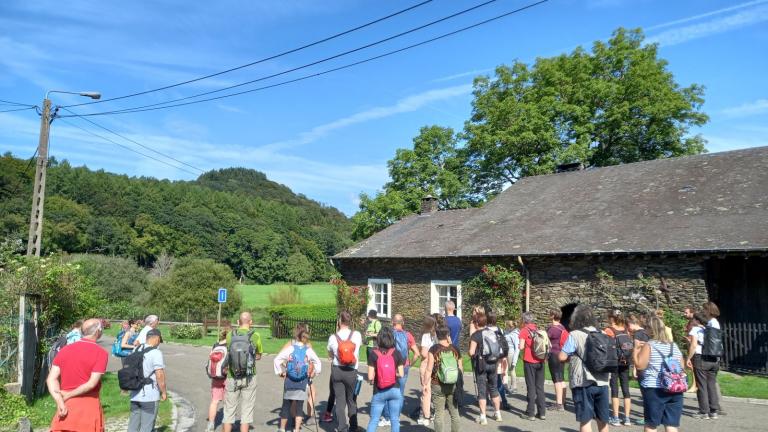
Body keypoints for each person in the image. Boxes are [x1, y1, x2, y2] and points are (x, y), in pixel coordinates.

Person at [46, 318, 108, 432]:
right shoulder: (101, 353)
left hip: (65, 406)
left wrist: (59, 400)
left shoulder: (64, 350)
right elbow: (91, 384)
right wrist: (68, 395)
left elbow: (51, 379)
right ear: (98, 331)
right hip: (88, 407)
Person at [558, 305, 610, 432]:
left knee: (585, 420)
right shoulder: (602, 333)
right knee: (603, 420)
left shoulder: (574, 335)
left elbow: (562, 356)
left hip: (583, 381)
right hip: (602, 380)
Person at [634, 314, 685, 432]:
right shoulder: (674, 346)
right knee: (671, 424)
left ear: (650, 329)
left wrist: (635, 351)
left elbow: (640, 365)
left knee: (651, 425)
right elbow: (681, 367)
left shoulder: (649, 345)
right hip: (674, 387)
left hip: (655, 387)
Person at [274, 327, 321, 432]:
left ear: (296, 336)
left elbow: (277, 359)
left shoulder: (290, 348)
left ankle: (282, 429)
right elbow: (318, 362)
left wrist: (280, 372)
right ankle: (296, 429)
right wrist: (315, 373)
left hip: (290, 381)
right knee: (300, 408)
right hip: (302, 382)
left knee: (286, 406)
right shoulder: (308, 350)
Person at [223, 312, 263, 432]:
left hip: (232, 376)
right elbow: (258, 356)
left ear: (238, 322)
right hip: (249, 376)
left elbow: (229, 353)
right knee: (247, 411)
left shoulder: (230, 335)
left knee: (229, 411)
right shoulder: (255, 335)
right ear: (251, 322)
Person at [380, 314, 419, 427]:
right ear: (403, 322)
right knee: (400, 392)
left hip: (390, 367)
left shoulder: (389, 334)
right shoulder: (408, 335)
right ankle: (395, 416)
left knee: (387, 391)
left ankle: (387, 417)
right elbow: (417, 353)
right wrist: (410, 363)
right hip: (404, 366)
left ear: (393, 322)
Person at [327, 310, 363, 432]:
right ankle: (353, 427)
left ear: (339, 321)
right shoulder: (357, 335)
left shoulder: (333, 337)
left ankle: (342, 428)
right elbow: (357, 350)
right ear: (350, 321)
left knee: (340, 401)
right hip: (352, 371)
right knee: (351, 400)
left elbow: (330, 354)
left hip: (337, 370)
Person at [366, 326, 405, 432]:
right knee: (394, 420)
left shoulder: (374, 354)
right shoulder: (396, 353)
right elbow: (401, 374)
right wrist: (392, 374)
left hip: (379, 391)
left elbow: (370, 377)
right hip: (395, 390)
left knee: (374, 420)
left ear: (378, 338)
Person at [128, 328, 166, 432]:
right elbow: (159, 375)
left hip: (135, 393)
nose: (159, 343)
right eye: (159, 340)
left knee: (133, 426)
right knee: (147, 427)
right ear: (157, 338)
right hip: (150, 395)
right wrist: (163, 392)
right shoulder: (156, 352)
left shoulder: (135, 349)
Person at [426, 325, 462, 432]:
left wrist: (425, 384)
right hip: (453, 385)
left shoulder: (433, 349)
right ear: (447, 335)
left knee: (439, 414)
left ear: (437, 335)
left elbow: (429, 369)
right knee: (455, 413)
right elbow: (460, 369)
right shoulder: (455, 349)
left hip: (437, 384)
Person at [468, 312, 502, 424]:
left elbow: (471, 352)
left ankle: (483, 417)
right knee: (493, 388)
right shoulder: (492, 332)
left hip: (481, 365)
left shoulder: (476, 335)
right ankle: (497, 413)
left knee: (482, 390)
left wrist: (470, 353)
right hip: (493, 363)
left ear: (477, 323)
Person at [604, 309, 633, 426]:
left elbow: (604, 345)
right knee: (626, 389)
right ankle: (627, 418)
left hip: (614, 362)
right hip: (625, 362)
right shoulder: (626, 330)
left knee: (614, 389)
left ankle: (615, 417)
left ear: (611, 318)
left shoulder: (609, 330)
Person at [519, 311, 546, 421]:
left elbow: (521, 347)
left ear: (524, 320)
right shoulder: (538, 329)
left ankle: (530, 413)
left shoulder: (524, 331)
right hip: (540, 361)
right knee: (540, 387)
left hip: (529, 361)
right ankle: (542, 412)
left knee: (531, 387)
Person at [547, 309, 568, 411]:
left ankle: (559, 404)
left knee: (556, 379)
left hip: (554, 355)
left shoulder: (552, 329)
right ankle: (563, 401)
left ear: (552, 316)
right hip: (562, 354)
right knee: (561, 378)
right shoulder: (562, 327)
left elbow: (545, 341)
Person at [417, 315, 437, 426]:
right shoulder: (438, 334)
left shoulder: (426, 335)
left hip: (427, 363)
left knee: (426, 390)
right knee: (435, 389)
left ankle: (426, 415)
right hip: (437, 364)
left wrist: (420, 349)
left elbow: (424, 353)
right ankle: (433, 412)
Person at [207, 329, 228, 432]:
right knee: (228, 402)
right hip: (227, 376)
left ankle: (210, 425)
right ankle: (226, 426)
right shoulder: (230, 345)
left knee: (214, 401)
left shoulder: (215, 345)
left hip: (216, 376)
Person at [683, 306, 698, 393]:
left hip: (693, 346)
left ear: (692, 312)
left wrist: (688, 339)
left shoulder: (694, 322)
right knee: (691, 366)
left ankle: (695, 385)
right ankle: (694, 385)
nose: (684, 314)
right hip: (689, 345)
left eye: (686, 312)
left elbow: (693, 335)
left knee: (692, 367)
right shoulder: (690, 322)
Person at [503, 320, 520, 394]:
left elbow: (517, 348)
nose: (505, 327)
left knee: (512, 370)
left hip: (511, 353)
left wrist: (514, 361)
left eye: (506, 326)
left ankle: (514, 387)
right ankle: (506, 385)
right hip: (506, 352)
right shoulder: (507, 332)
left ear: (510, 327)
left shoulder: (515, 334)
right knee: (505, 369)